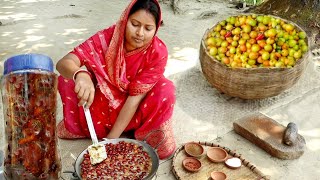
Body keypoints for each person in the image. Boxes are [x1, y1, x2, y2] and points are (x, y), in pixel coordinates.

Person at [56, 0, 176, 160]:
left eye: (148, 28)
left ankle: (133, 132)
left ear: (156, 29)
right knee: (67, 80)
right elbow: (63, 63)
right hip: (100, 106)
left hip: (133, 112)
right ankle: (88, 128)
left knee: (165, 89)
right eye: (134, 24)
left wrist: (110, 141)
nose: (140, 33)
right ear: (125, 20)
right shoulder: (107, 38)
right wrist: (80, 74)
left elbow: (134, 100)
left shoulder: (157, 52)